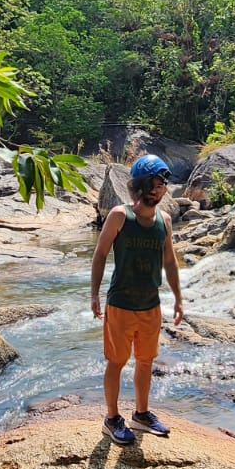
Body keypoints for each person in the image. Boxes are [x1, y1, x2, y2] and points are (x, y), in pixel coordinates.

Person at [90, 153, 184, 445]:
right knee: (116, 362)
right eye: (155, 183)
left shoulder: (165, 220)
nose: (160, 189)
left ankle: (141, 415)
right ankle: (111, 419)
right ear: (142, 185)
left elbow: (169, 261)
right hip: (120, 303)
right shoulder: (120, 215)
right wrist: (94, 294)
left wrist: (178, 298)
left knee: (145, 361)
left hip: (150, 305)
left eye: (163, 185)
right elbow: (101, 253)